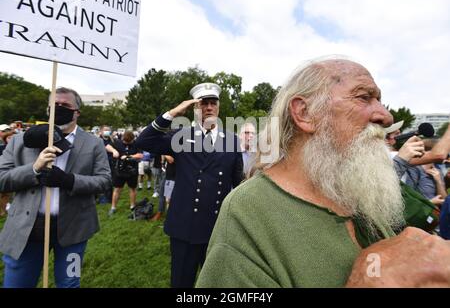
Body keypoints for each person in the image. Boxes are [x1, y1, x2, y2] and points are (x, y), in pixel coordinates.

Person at [196, 57, 450, 288]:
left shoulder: (357, 191)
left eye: (379, 100)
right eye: (364, 97)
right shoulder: (247, 212)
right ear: (305, 113)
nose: (385, 115)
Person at [0, 87, 111, 288]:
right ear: (48, 110)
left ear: (77, 111)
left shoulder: (94, 143)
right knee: (16, 283)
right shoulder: (19, 141)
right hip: (27, 229)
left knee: (70, 282)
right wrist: (33, 169)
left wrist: (69, 181)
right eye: (55, 105)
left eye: (66, 105)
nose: (59, 108)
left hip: (75, 230)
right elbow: (2, 179)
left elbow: (104, 181)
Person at [136, 82, 243, 288]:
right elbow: (144, 141)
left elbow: (237, 183)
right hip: (184, 226)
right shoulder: (182, 136)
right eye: (203, 103)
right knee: (181, 283)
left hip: (216, 228)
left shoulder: (231, 140)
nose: (209, 107)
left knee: (214, 284)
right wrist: (173, 113)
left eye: (213, 103)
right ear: (195, 108)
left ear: (219, 107)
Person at [107, 130, 143, 215]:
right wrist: (114, 151)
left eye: (128, 142)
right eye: (124, 141)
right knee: (117, 189)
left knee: (132, 188)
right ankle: (113, 207)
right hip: (120, 170)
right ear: (122, 138)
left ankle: (132, 206)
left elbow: (140, 155)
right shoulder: (118, 142)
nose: (126, 143)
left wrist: (128, 156)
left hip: (132, 170)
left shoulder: (136, 143)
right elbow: (107, 146)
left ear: (132, 139)